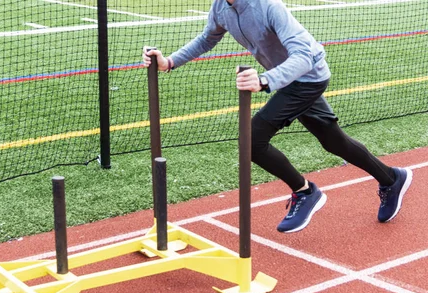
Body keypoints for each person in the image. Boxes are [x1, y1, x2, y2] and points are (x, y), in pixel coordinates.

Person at [142, 0, 413, 233]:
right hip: (289, 80)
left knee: (252, 139)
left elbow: (305, 55)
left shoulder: (269, 6)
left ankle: (305, 191)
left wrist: (264, 80)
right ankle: (392, 178)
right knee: (334, 142)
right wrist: (171, 62)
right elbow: (207, 38)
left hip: (307, 78)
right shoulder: (221, 7)